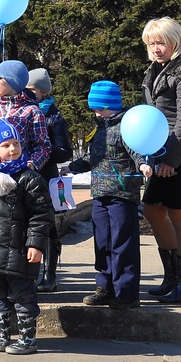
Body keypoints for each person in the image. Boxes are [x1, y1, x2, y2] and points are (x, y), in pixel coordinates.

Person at [63, 81, 152, 309]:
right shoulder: (100, 128)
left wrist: (143, 165)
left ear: (110, 105)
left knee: (122, 244)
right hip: (100, 195)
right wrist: (70, 168)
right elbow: (93, 158)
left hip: (122, 195)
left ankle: (127, 293)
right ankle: (105, 287)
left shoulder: (127, 126)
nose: (95, 112)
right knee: (103, 243)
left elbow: (138, 151)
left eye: (98, 107)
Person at [140, 17, 181, 304]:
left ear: (175, 42)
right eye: (151, 43)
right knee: (152, 211)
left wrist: (172, 161)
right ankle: (172, 276)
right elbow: (148, 119)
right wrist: (147, 156)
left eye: (161, 42)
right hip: (158, 155)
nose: (156, 48)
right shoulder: (154, 71)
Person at [0, 117, 53, 355]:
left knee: (23, 294)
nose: (12, 149)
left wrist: (36, 244)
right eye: (6, 145)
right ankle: (2, 334)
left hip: (19, 250)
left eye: (16, 144)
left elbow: (41, 214)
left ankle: (28, 338)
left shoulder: (30, 178)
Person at [25, 68, 73, 293]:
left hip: (47, 178)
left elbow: (65, 152)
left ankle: (50, 275)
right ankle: (27, 274)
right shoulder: (23, 113)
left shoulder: (54, 118)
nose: (27, 94)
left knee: (49, 228)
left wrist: (41, 146)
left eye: (31, 90)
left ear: (43, 92)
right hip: (26, 178)